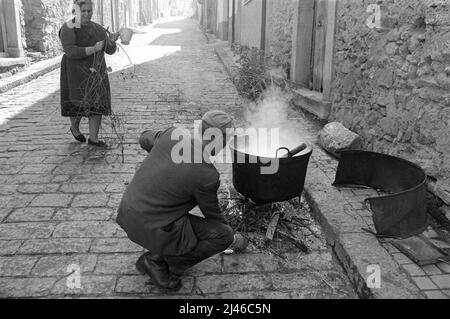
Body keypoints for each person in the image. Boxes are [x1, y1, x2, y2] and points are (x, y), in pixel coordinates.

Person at [117, 110, 246, 292]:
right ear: (221, 140)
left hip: (127, 212)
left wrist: (163, 158)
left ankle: (162, 254)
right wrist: (232, 238)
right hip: (151, 225)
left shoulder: (173, 134)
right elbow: (213, 215)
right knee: (222, 235)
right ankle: (157, 262)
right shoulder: (207, 174)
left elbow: (144, 137)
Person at [59, 0, 120, 147]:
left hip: (96, 72)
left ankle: (94, 139)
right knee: (77, 102)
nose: (87, 14)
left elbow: (109, 50)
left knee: (97, 103)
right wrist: (93, 48)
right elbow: (71, 51)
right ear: (76, 11)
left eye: (89, 11)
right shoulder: (69, 28)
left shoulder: (98, 29)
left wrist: (111, 41)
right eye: (83, 11)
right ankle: (74, 127)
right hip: (75, 72)